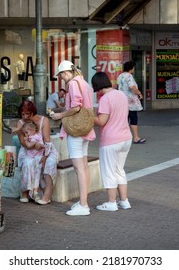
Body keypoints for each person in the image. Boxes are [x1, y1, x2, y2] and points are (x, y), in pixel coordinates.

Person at [50, 60, 96, 216]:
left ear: (65, 73)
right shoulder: (84, 83)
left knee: (79, 167)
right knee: (84, 166)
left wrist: (60, 115)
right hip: (85, 128)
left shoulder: (73, 84)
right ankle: (84, 201)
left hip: (75, 131)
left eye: (61, 75)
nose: (61, 78)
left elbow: (76, 106)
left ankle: (83, 205)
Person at [91, 72, 132, 211]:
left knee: (109, 172)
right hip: (126, 137)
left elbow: (101, 121)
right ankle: (124, 201)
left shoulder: (105, 99)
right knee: (119, 170)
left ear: (97, 85)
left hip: (110, 140)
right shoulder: (121, 94)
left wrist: (89, 116)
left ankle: (111, 203)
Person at [14, 100, 59, 204]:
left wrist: (45, 156)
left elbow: (47, 141)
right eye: (22, 114)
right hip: (28, 149)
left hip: (45, 149)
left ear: (33, 112)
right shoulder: (20, 123)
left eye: (27, 114)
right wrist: (33, 145)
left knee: (50, 162)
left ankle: (46, 196)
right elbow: (22, 142)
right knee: (28, 162)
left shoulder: (44, 120)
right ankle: (25, 192)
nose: (25, 117)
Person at [117, 61, 146, 144]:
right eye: (134, 67)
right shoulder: (129, 76)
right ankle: (136, 138)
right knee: (133, 119)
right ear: (131, 68)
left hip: (122, 100)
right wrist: (139, 93)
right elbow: (131, 86)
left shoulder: (120, 76)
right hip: (130, 102)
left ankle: (123, 138)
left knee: (124, 120)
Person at [19, 121, 45, 200]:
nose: (26, 134)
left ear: (33, 130)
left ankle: (35, 192)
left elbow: (29, 145)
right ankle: (31, 191)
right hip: (31, 157)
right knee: (31, 173)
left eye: (27, 132)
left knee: (36, 174)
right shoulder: (35, 136)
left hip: (37, 158)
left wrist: (26, 140)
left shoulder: (35, 138)